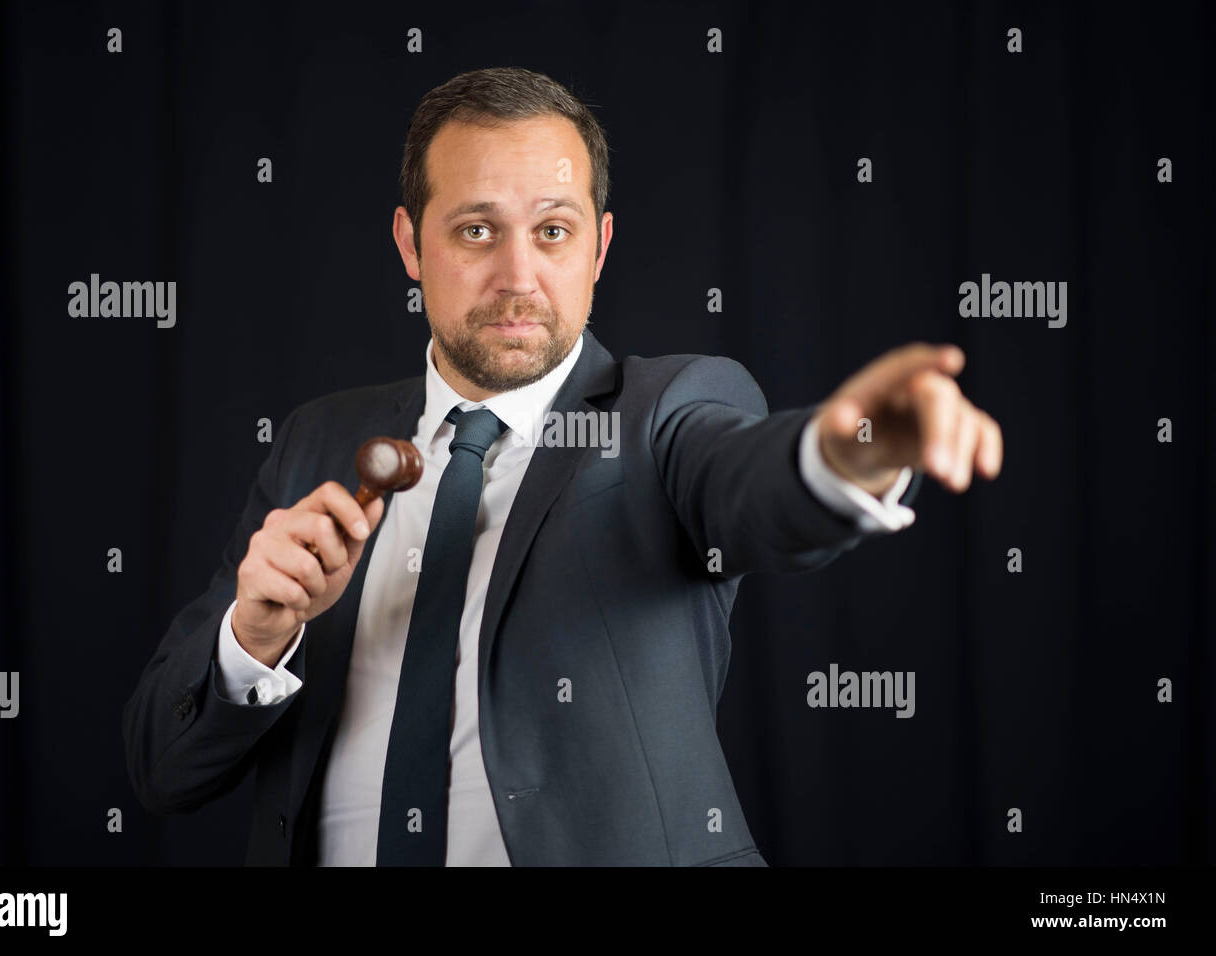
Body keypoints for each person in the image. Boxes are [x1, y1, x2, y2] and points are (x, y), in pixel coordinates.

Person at [123, 66, 1002, 866]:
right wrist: (255, 639)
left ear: (600, 247)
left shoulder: (669, 410)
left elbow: (755, 482)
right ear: (409, 245)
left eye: (553, 230)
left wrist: (854, 448)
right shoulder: (318, 439)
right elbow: (163, 771)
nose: (519, 275)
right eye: (476, 230)